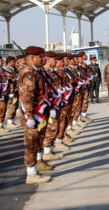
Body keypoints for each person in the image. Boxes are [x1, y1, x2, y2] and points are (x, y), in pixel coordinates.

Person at [19, 46, 51, 184]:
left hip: (38, 114)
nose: (43, 59)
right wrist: (30, 116)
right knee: (31, 144)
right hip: (32, 115)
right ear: (32, 58)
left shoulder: (36, 72)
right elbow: (27, 97)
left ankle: (37, 164)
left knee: (37, 141)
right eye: (40, 57)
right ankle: (31, 173)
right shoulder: (29, 74)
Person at [5, 56, 19, 129]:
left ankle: (12, 120)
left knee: (15, 105)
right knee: (12, 105)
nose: (15, 63)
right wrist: (16, 79)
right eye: (14, 62)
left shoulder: (14, 70)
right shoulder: (8, 70)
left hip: (15, 90)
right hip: (11, 90)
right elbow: (9, 79)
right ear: (9, 62)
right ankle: (9, 121)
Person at [0, 56, 9, 133]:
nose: (2, 62)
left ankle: (1, 125)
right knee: (1, 109)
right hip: (1, 93)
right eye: (1, 61)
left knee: (3, 109)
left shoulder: (2, 70)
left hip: (4, 93)